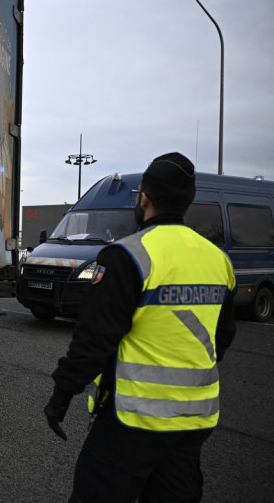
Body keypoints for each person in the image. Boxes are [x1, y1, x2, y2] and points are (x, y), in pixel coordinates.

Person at [43, 152, 236, 502]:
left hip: (134, 420)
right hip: (195, 419)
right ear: (188, 201)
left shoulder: (128, 256)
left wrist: (61, 396)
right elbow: (223, 336)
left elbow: (94, 340)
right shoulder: (218, 260)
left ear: (143, 198)